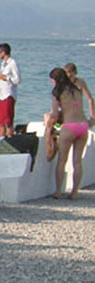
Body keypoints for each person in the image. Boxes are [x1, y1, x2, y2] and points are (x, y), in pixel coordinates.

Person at [47, 66, 89, 200]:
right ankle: (75, 192)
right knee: (77, 161)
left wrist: (48, 120)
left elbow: (54, 114)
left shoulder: (57, 92)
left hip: (69, 126)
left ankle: (58, 191)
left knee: (62, 161)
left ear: (56, 80)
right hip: (83, 126)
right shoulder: (76, 89)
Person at [0, 42, 20, 137]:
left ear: (4, 52)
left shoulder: (12, 63)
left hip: (8, 95)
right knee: (0, 121)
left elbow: (17, 80)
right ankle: (1, 139)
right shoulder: (3, 64)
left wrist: (4, 77)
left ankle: (10, 138)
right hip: (1, 95)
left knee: (8, 121)